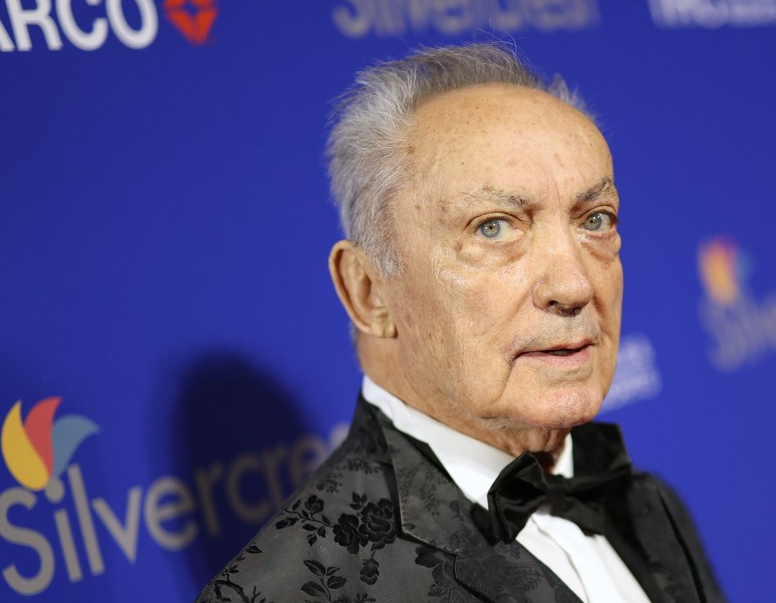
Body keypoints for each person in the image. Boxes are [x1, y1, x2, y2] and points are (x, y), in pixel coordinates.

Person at [196, 43, 724, 603]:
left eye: (594, 220)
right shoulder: (300, 591)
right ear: (369, 292)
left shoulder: (646, 503)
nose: (574, 286)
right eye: (494, 228)